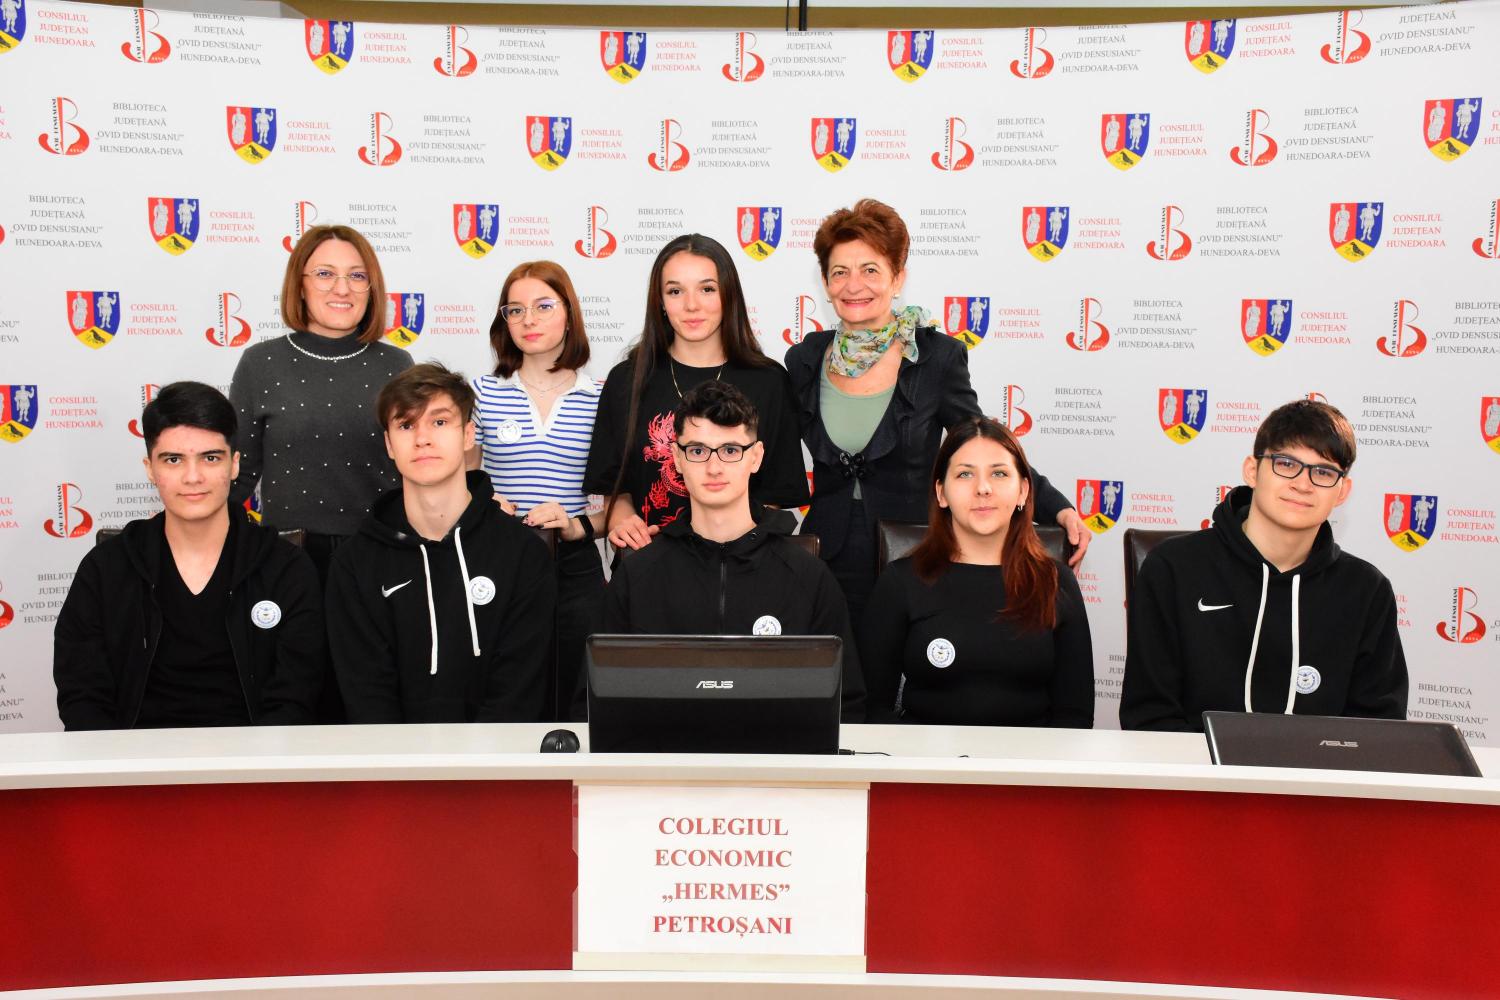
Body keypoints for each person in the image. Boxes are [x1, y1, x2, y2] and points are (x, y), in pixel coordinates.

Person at [784, 198, 1086, 629]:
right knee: (834, 669)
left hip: (913, 555)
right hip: (825, 557)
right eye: (840, 272)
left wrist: (1056, 508)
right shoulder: (804, 359)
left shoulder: (936, 358)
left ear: (897, 277)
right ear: (825, 283)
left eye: (870, 270)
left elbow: (982, 444)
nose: (854, 285)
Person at [1120, 399, 1408, 731]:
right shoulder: (1173, 568)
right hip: (1193, 764)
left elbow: (1378, 730)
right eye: (1286, 463)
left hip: (1319, 766)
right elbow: (1149, 717)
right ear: (1252, 471)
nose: (1303, 484)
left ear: (1342, 491)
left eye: (1323, 472)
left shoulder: (1367, 590)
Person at [53, 383, 324, 730]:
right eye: (173, 460)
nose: (193, 477)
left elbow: (297, 697)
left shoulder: (285, 568)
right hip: (134, 757)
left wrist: (255, 759)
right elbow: (82, 695)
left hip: (254, 757)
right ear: (150, 468)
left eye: (210, 458)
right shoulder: (106, 568)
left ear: (234, 465)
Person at [229, 225, 413, 719]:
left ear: (372, 287)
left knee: (372, 706)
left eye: (357, 276)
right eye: (326, 273)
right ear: (300, 284)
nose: (342, 288)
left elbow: (415, 471)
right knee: (292, 705)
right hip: (288, 561)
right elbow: (237, 475)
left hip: (379, 561)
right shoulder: (260, 364)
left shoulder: (397, 364)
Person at [602, 381, 865, 721]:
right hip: (664, 752)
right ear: (678, 458)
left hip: (775, 753)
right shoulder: (637, 575)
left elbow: (846, 705)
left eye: (730, 450)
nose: (714, 467)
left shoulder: (809, 577)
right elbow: (596, 700)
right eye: (698, 451)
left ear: (756, 457)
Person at [326, 363, 555, 723]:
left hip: (498, 754)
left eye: (439, 422)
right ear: (389, 444)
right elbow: (366, 697)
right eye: (406, 425)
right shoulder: (354, 563)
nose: (422, 439)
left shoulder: (524, 554)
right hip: (391, 756)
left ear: (468, 435)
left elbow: (519, 693)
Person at [859, 417, 1093, 727]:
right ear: (941, 493)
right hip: (923, 756)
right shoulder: (900, 582)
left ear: (1024, 491)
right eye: (965, 474)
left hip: (1031, 758)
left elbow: (1075, 718)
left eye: (999, 473)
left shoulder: (1056, 582)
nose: (983, 488)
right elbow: (870, 712)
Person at [585, 233, 807, 553]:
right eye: (675, 291)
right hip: (649, 561)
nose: (692, 305)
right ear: (660, 301)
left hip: (740, 564)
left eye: (707, 289)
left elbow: (776, 494)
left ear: (728, 295)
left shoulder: (769, 382)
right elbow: (613, 487)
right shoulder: (626, 380)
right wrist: (624, 522)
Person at [471, 260, 605, 720]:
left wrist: (576, 525)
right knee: (506, 697)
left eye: (543, 306)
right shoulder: (481, 393)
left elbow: (617, 507)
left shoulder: (601, 397)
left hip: (575, 566)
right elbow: (461, 487)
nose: (528, 319)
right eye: (515, 310)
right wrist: (484, 504)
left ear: (569, 313)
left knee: (577, 698)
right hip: (500, 560)